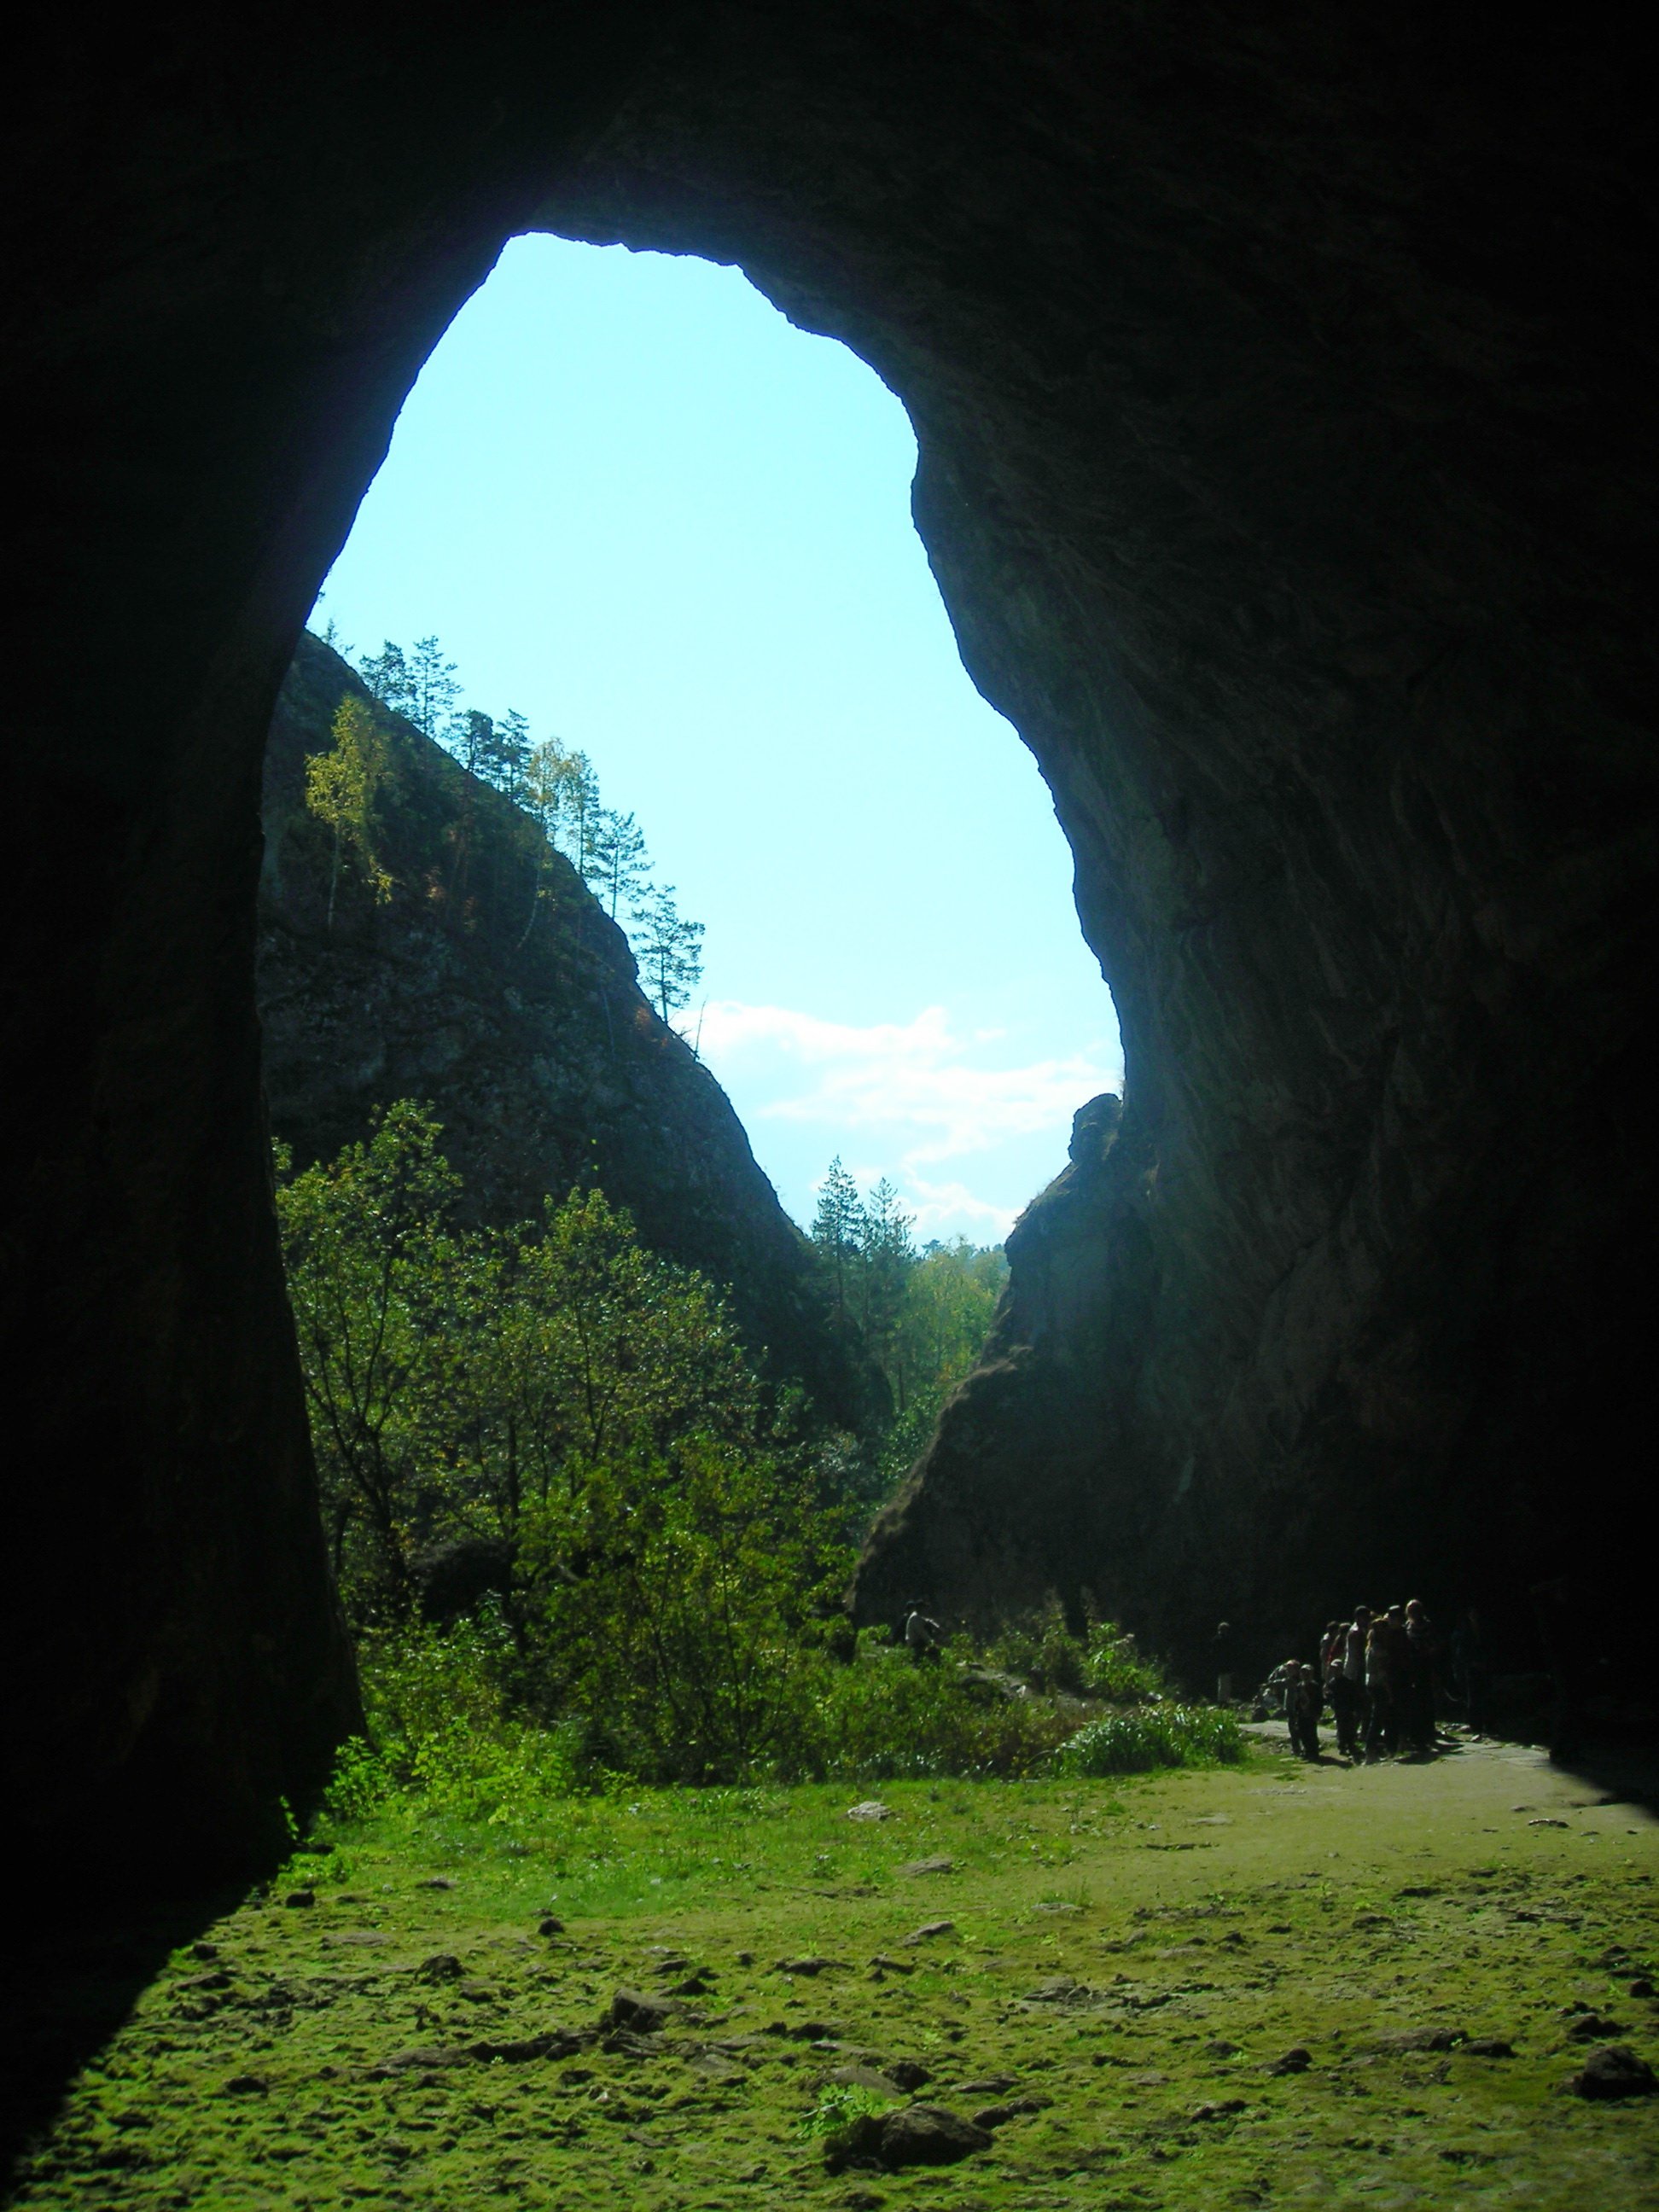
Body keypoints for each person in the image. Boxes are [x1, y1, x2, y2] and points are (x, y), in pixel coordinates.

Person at [1365, 1605, 1409, 1761]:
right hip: (1379, 1685)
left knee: (1385, 1717)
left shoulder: (1372, 1647)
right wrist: (1389, 1691)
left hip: (1374, 1683)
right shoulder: (1378, 1650)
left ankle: (1387, 1748)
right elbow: (1382, 1672)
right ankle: (1370, 1750)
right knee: (1378, 1718)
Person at [1403, 1598, 1441, 1753]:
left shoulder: (1428, 1626)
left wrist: (1427, 1653)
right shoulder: (1407, 1627)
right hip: (1412, 1667)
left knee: (1427, 1698)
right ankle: (1418, 1732)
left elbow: (1436, 1645)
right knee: (1415, 1700)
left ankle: (1429, 1729)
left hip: (1425, 1665)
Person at [1325, 1614, 1365, 1759]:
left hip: (1347, 1708)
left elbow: (1352, 1694)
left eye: (1338, 1669)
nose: (1337, 1671)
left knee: (1349, 1728)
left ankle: (1350, 1744)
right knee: (1342, 1729)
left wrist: (1354, 1706)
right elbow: (1329, 1694)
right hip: (1339, 1709)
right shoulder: (1333, 1683)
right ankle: (1343, 1746)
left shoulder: (1346, 1682)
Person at [1287, 1661, 1324, 1761]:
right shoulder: (1299, 1686)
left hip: (1311, 1714)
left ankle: (1314, 1753)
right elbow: (1297, 1700)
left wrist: (1319, 1713)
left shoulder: (1315, 1686)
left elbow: (1319, 1701)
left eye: (1306, 1673)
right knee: (1303, 1733)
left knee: (1311, 1733)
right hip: (1301, 1714)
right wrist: (1296, 1712)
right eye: (1302, 1673)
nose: (1304, 1675)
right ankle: (1307, 1752)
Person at [903, 1599, 942, 1663]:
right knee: (934, 1651)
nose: (925, 1610)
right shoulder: (915, 1618)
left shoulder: (918, 1616)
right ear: (920, 1608)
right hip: (915, 1643)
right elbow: (922, 1633)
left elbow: (927, 1621)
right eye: (924, 1608)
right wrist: (931, 1642)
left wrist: (936, 1626)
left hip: (918, 1642)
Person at [1213, 1620, 1237, 1704]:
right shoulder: (1223, 1640)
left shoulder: (1217, 1639)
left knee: (1224, 1683)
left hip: (1221, 1665)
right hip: (1224, 1665)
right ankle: (1223, 1701)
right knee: (1224, 1684)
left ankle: (1224, 1700)